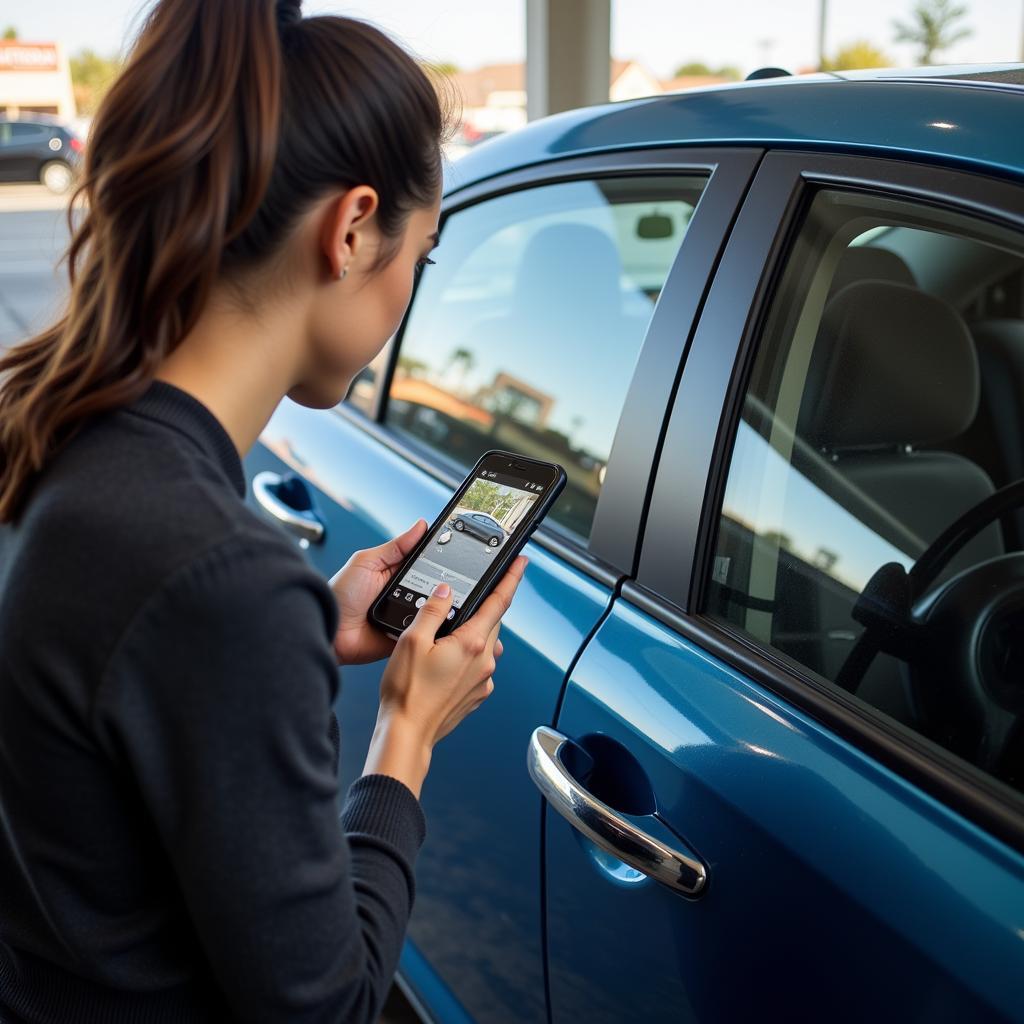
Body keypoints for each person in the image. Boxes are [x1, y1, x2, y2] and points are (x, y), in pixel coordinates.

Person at [0, 2, 523, 1021]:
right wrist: (406, 735)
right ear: (351, 228)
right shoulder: (212, 568)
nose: (409, 288)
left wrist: (312, 629)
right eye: (420, 256)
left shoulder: (60, 435)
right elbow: (329, 1007)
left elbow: (100, 695)